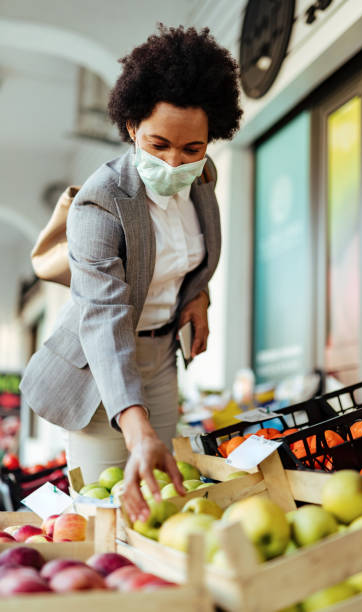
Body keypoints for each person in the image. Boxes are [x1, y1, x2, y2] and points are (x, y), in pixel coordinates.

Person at [20, 24, 242, 522]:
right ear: (131, 128)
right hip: (97, 370)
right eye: (159, 143)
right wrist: (135, 426)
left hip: (161, 357)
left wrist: (199, 295)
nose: (174, 161)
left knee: (162, 505)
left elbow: (188, 255)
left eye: (191, 148)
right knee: (109, 512)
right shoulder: (101, 203)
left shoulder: (203, 178)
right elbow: (103, 315)